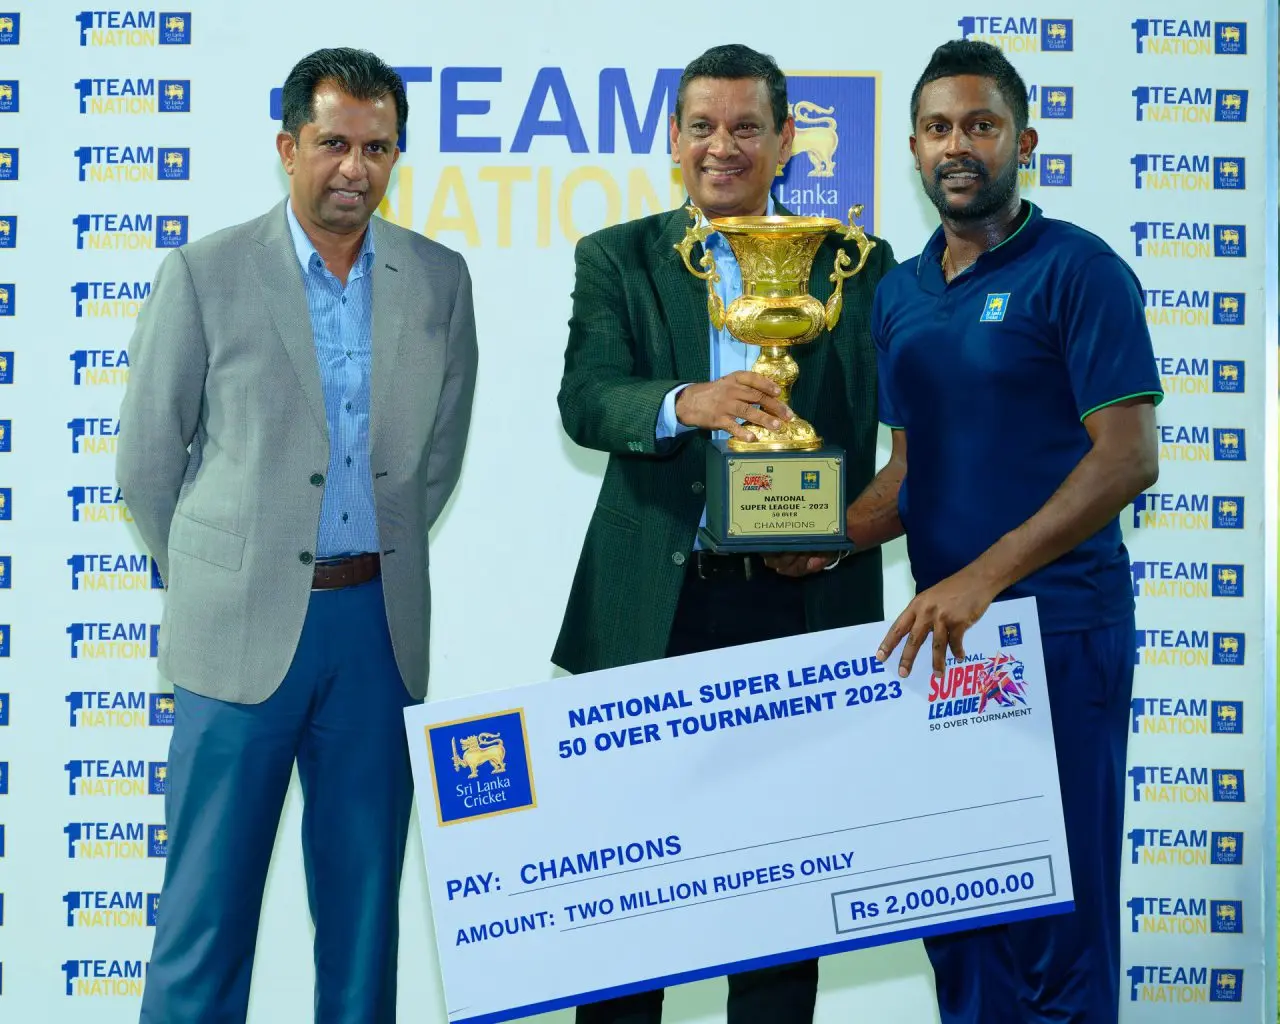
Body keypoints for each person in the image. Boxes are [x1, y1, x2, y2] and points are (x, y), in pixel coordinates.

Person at [783, 39, 1161, 1023]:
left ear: (1022, 143)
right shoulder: (900, 293)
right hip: (946, 652)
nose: (959, 145)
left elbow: (1126, 458)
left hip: (1059, 634)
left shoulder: (1079, 269)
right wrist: (825, 534)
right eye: (939, 128)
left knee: (1060, 929)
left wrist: (981, 577)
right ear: (913, 149)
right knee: (963, 926)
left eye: (981, 125)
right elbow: (909, 473)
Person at [116, 47, 478, 1023]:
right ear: (288, 147)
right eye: (332, 144)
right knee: (203, 919)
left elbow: (434, 460)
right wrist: (222, 570)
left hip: (377, 635)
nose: (354, 168)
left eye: (377, 148)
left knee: (362, 926)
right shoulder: (205, 273)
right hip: (235, 634)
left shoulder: (438, 280)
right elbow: (146, 463)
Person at [552, 42, 894, 1024]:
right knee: (627, 899)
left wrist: (839, 533)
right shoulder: (617, 256)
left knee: (782, 901)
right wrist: (684, 402)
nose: (722, 146)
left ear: (785, 141)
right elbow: (586, 399)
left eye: (747, 127)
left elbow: (904, 427)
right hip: (652, 608)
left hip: (802, 599)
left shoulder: (855, 264)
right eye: (701, 126)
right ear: (672, 139)